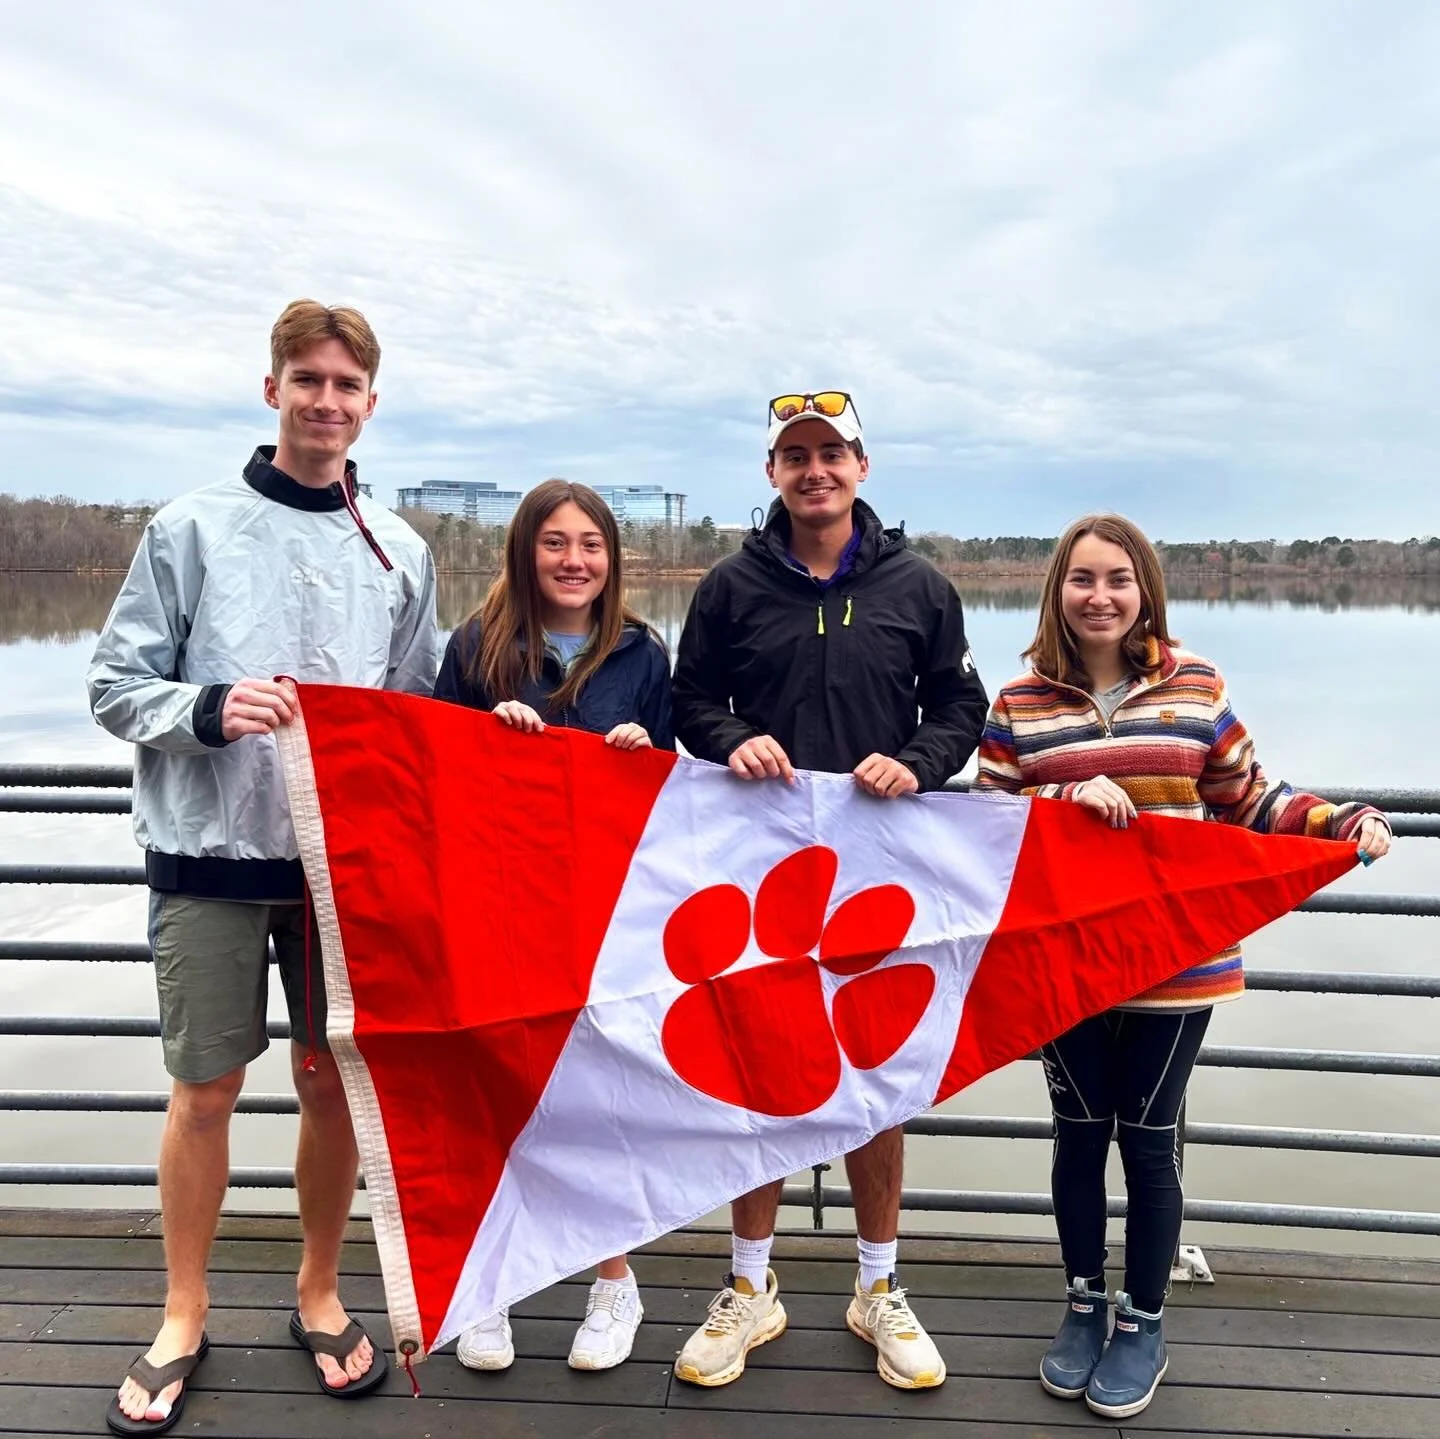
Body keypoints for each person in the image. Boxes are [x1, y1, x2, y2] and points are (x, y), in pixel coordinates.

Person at [88, 300, 439, 1434]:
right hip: (206, 853)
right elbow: (111, 683)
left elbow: (422, 710)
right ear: (272, 388)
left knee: (334, 1080)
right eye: (307, 379)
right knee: (203, 1090)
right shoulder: (187, 527)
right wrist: (205, 704)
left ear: (370, 404)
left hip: (341, 870)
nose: (326, 400)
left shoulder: (404, 547)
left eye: (347, 384)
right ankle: (184, 1308)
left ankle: (319, 1288)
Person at [974, 512, 1391, 1421]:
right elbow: (982, 827)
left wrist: (1342, 821)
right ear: (1058, 591)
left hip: (1178, 966)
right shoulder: (1019, 704)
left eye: (1119, 579)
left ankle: (1145, 1319)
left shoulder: (1196, 686)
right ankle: (1085, 1304)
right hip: (1065, 968)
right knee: (1079, 1137)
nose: (1101, 596)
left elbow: (1252, 798)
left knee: (1149, 1141)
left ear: (1144, 590)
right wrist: (1059, 792)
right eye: (1083, 579)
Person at [669, 390, 988, 1390]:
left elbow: (964, 703)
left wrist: (921, 760)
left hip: (880, 869)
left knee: (876, 1075)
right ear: (773, 473)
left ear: (862, 467)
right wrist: (730, 738)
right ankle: (752, 1285)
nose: (815, 470)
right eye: (796, 456)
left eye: (832, 453)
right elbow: (687, 700)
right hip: (758, 871)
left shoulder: (920, 584)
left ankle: (877, 1286)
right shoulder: (729, 584)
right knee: (761, 1069)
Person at [434, 477, 673, 1372]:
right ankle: (492, 1280)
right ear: (526, 551)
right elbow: (435, 774)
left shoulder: (645, 654)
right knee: (499, 1086)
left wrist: (645, 755)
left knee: (596, 1093)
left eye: (591, 546)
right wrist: (484, 740)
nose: (575, 561)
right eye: (556, 543)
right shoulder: (476, 645)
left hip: (602, 909)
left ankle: (615, 1278)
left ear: (612, 560)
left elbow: (674, 792)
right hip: (499, 902)